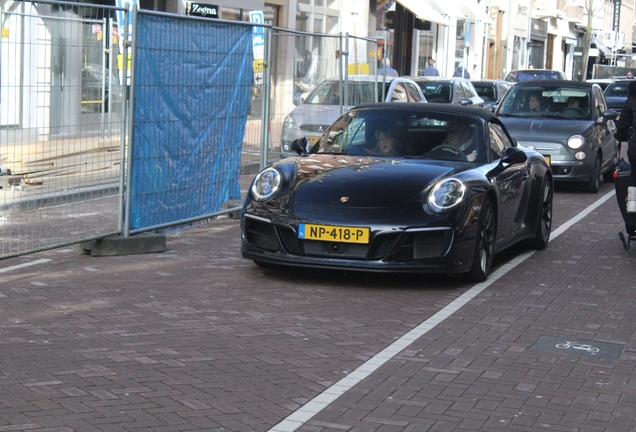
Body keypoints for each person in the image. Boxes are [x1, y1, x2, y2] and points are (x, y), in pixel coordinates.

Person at [614, 80, 636, 199]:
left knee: (635, 174)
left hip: (635, 144)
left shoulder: (632, 97)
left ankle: (633, 201)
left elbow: (624, 121)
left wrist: (621, 135)